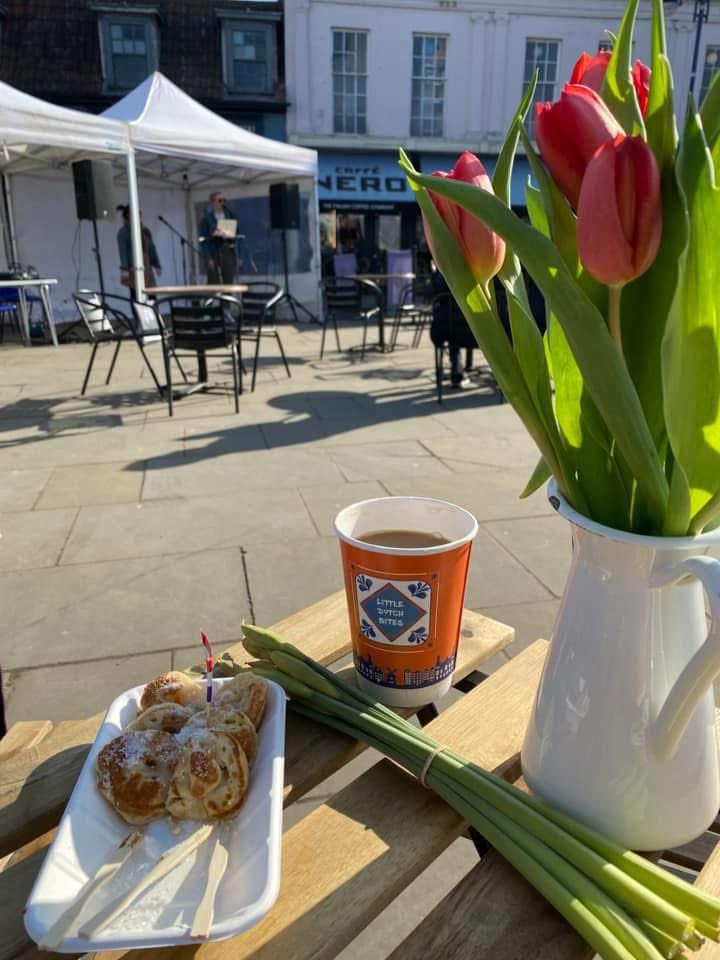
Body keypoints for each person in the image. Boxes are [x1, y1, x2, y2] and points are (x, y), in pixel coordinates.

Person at [429, 267, 477, 388]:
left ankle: (457, 372)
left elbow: (430, 292)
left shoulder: (444, 275)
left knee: (450, 324)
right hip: (484, 335)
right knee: (456, 323)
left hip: (451, 333)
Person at [117, 205, 161, 299]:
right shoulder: (124, 232)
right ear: (128, 216)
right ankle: (138, 313)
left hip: (147, 267)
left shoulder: (145, 231)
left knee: (152, 294)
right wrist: (124, 269)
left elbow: (151, 248)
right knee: (136, 295)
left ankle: (153, 312)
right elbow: (123, 251)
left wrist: (157, 265)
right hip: (134, 267)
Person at [199, 191, 242, 284]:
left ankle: (227, 298)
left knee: (228, 280)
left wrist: (238, 255)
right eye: (219, 200)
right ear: (213, 202)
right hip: (214, 251)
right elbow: (203, 240)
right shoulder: (207, 218)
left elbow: (237, 234)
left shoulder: (229, 215)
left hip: (227, 250)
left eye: (223, 200)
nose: (222, 203)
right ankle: (214, 298)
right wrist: (208, 258)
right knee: (214, 280)